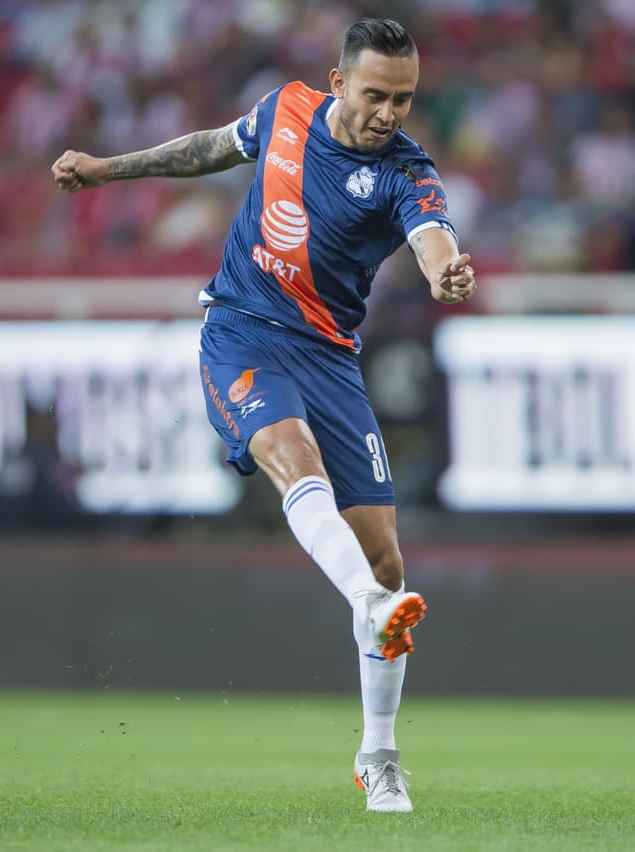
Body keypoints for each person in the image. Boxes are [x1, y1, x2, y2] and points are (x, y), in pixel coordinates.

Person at [51, 18, 476, 814]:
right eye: (378, 94)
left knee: (384, 558)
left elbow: (432, 238)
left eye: (406, 99)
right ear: (339, 81)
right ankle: (373, 611)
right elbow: (214, 145)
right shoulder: (286, 108)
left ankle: (377, 754)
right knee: (290, 453)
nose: (390, 113)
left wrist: (447, 273)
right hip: (241, 332)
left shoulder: (405, 172)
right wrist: (109, 169)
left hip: (329, 358)